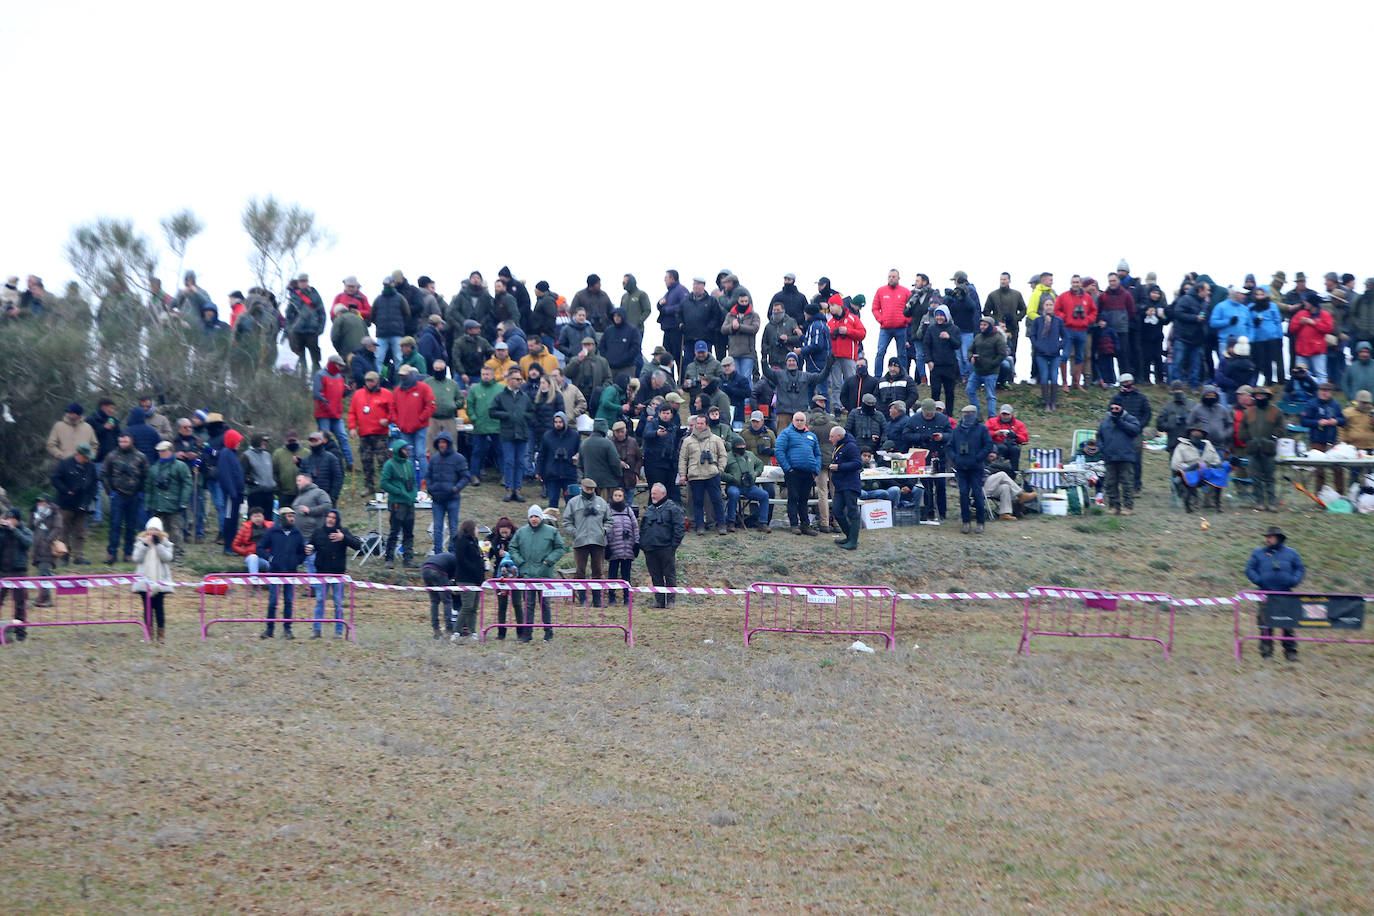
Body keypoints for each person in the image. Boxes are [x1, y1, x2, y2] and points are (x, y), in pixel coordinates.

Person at [507, 505, 568, 642]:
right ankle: (527, 634)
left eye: (536, 516)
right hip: (527, 575)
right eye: (531, 516)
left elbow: (560, 548)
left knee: (545, 604)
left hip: (544, 574)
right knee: (528, 604)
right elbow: (512, 548)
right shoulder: (521, 532)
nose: (534, 519)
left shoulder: (551, 531)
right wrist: (520, 562)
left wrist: (548, 561)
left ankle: (548, 633)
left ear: (541, 517)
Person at [1245, 526, 1305, 661]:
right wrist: (1259, 580)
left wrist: (1294, 581)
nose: (1267, 539)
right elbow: (1249, 569)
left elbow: (1300, 569)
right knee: (1265, 626)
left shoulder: (1292, 553)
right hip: (1265, 596)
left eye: (1270, 537)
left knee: (1288, 626)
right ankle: (1267, 655)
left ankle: (1291, 654)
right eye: (1266, 537)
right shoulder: (1257, 553)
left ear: (1278, 538)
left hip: (1286, 595)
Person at [306, 509, 360, 639]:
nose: (330, 519)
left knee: (338, 603)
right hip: (321, 573)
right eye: (328, 517)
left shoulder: (343, 531)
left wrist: (344, 538)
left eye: (333, 518)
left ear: (337, 520)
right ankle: (317, 630)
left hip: (338, 574)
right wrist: (309, 549)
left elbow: (358, 546)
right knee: (319, 601)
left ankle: (338, 631)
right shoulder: (318, 532)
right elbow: (311, 545)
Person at [257, 505, 307, 639]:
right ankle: (269, 629)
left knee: (289, 601)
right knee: (273, 601)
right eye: (289, 516)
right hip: (275, 572)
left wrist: (297, 560)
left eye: (293, 516)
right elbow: (260, 547)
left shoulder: (297, 533)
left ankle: (287, 629)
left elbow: (302, 553)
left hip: (291, 573)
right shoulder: (272, 531)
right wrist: (270, 558)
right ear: (283, 518)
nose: (292, 519)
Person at [560, 479, 612, 606]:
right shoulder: (573, 503)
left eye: (592, 489)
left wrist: (603, 531)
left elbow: (609, 520)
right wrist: (575, 532)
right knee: (580, 571)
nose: (589, 491)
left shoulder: (601, 502)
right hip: (580, 542)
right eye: (587, 488)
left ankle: (597, 600)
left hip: (598, 542)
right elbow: (566, 521)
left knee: (598, 571)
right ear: (582, 487)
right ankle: (583, 600)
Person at [678, 415, 727, 536]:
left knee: (717, 500)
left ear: (707, 425)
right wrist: (683, 474)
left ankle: (721, 525)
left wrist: (719, 470)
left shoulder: (716, 439)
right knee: (697, 502)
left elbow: (723, 455)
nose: (699, 425)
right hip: (695, 476)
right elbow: (683, 459)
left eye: (701, 423)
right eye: (697, 423)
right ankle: (699, 526)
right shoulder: (687, 441)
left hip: (712, 474)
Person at [103, 433, 148, 564]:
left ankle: (128, 553)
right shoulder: (112, 455)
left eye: (125, 441)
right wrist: (110, 491)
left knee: (131, 526)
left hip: (134, 496)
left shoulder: (140, 456)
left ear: (131, 441)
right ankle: (112, 554)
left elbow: (146, 475)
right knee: (115, 525)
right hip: (117, 496)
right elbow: (104, 474)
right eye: (121, 442)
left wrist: (141, 491)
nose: (123, 444)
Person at [50, 443, 98, 564]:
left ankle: (79, 556)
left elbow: (94, 484)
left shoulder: (90, 467)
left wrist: (90, 498)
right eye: (85, 456)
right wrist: (66, 490)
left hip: (82, 504)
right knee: (64, 530)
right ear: (79, 454)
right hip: (66, 503)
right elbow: (55, 479)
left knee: (80, 531)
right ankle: (63, 556)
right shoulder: (65, 463)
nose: (87, 459)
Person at [775, 411, 822, 536]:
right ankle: (794, 524)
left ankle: (805, 525)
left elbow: (818, 454)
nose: (800, 422)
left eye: (802, 420)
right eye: (797, 420)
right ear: (793, 421)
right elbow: (779, 451)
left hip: (808, 473)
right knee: (793, 498)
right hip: (793, 472)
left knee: (804, 499)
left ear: (805, 422)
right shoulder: (786, 433)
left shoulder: (811, 436)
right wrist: (788, 468)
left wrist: (816, 469)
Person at [422, 431, 469, 555]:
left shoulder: (458, 458)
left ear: (449, 443)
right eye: (439, 442)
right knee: (438, 528)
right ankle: (438, 553)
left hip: (452, 498)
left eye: (444, 442)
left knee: (453, 528)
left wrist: (455, 489)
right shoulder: (434, 459)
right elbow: (428, 476)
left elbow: (465, 477)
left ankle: (453, 553)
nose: (441, 445)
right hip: (437, 499)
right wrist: (431, 489)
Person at [130, 516, 175, 643]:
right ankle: (148, 634)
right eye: (151, 529)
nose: (153, 532)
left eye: (155, 530)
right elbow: (136, 558)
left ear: (160, 531)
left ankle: (161, 635)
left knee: (159, 608)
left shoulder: (166, 543)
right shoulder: (140, 542)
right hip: (144, 582)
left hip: (160, 581)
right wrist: (145, 544)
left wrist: (158, 545)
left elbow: (167, 558)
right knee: (147, 608)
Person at [950, 404, 993, 533]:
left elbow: (988, 445)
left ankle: (980, 522)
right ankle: (966, 521)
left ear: (974, 414)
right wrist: (955, 458)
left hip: (975, 467)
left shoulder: (982, 429)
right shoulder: (957, 430)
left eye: (969, 413)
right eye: (964, 413)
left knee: (977, 493)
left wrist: (978, 458)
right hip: (961, 467)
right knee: (963, 494)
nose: (966, 416)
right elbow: (949, 446)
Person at [146, 441, 193, 558]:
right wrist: (148, 504)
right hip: (158, 505)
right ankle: (162, 555)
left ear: (171, 451)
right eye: (159, 451)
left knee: (176, 532)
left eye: (164, 451)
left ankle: (178, 556)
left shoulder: (180, 466)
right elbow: (148, 487)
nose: (161, 453)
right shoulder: (154, 468)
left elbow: (187, 485)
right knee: (160, 532)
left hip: (174, 506)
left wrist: (183, 502)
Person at [1240, 387, 1284, 511]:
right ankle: (1259, 502)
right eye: (1257, 396)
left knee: (1270, 477)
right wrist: (1248, 439)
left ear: (1268, 397)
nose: (1260, 398)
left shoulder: (1276, 411)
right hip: (1253, 449)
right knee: (1255, 477)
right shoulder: (1248, 412)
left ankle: (1272, 502)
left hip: (1269, 448)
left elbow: (1281, 429)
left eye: (1262, 395)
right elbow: (1242, 430)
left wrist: (1272, 437)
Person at [1109, 374, 1153, 493]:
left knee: (1136, 460)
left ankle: (1136, 485)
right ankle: (1122, 485)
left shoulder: (1141, 397)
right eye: (1123, 382)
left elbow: (1147, 414)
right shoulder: (1116, 398)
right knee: (1121, 460)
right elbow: (1110, 412)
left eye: (1128, 382)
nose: (1126, 384)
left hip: (1136, 433)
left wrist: (1139, 426)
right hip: (1120, 433)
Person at [1301, 381, 1347, 494]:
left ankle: (1340, 495)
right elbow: (1303, 421)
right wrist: (1317, 422)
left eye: (1326, 391)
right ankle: (1319, 496)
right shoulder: (1311, 404)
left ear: (1330, 392)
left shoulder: (1336, 405)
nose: (1324, 393)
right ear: (1318, 391)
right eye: (1322, 391)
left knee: (1338, 468)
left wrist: (1336, 421)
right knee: (1319, 470)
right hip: (1317, 440)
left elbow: (1343, 420)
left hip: (1333, 440)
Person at [1097, 402, 1142, 515]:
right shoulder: (1105, 421)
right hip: (1110, 456)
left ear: (1122, 408)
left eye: (1117, 408)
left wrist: (1120, 422)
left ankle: (1128, 507)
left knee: (1127, 482)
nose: (1114, 410)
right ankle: (1113, 506)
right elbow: (1099, 436)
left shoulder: (1130, 419)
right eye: (1112, 408)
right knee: (1110, 483)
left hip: (1126, 456)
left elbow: (1135, 431)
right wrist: (1103, 449)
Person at [1171, 424, 1226, 513]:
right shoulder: (1181, 446)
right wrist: (1190, 468)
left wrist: (1209, 467)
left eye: (1199, 431)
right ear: (1189, 433)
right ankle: (1189, 504)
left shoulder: (1208, 445)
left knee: (1219, 477)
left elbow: (1216, 461)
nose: (1196, 433)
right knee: (1189, 479)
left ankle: (1215, 503)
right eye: (1194, 431)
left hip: (1206, 473)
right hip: (1190, 473)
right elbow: (1175, 464)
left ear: (1203, 433)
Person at [380, 440, 419, 567]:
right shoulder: (389, 465)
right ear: (398, 450)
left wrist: (413, 494)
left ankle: (408, 559)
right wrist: (398, 491)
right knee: (394, 531)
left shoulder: (409, 464)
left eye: (409, 449)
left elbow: (413, 482)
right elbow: (384, 483)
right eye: (405, 449)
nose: (408, 451)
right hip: (397, 503)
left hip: (409, 503)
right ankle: (389, 558)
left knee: (409, 532)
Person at [312, 354, 354, 471]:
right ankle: (323, 464)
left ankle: (350, 464)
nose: (340, 368)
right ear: (332, 363)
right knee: (323, 440)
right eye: (339, 365)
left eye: (341, 366)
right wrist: (328, 406)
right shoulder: (320, 375)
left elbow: (341, 393)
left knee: (343, 438)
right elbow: (317, 394)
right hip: (323, 414)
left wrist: (348, 390)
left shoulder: (340, 377)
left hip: (336, 414)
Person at [723, 435, 771, 533]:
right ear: (733, 447)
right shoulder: (727, 457)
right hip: (733, 485)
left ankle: (762, 523)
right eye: (739, 446)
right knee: (734, 494)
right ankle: (731, 522)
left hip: (749, 486)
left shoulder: (750, 455)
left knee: (764, 495)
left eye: (743, 445)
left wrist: (755, 474)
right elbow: (720, 471)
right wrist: (731, 478)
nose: (741, 448)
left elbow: (760, 464)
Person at [825, 294, 865, 407]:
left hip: (849, 356)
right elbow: (827, 336)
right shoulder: (830, 322)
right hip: (835, 356)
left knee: (851, 382)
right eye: (829, 306)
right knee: (835, 384)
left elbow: (862, 334)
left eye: (832, 305)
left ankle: (852, 405)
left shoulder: (853, 319)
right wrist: (833, 332)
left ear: (839, 305)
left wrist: (847, 331)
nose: (830, 308)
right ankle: (837, 406)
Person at [827, 426, 862, 550]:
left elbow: (858, 463)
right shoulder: (839, 447)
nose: (830, 439)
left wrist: (839, 467)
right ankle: (849, 536)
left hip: (850, 484)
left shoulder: (850, 447)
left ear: (839, 436)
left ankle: (853, 541)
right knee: (837, 511)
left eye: (832, 436)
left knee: (852, 512)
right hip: (840, 485)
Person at [0, 509, 33, 641]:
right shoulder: (3, 531)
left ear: (17, 519)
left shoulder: (25, 531)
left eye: (11, 518)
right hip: (2, 571)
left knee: (20, 603)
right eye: (6, 517)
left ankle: (21, 633)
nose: (8, 520)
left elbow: (28, 543)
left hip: (19, 571)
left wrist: (14, 530)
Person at [1029, 298, 1067, 410]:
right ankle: (1046, 402)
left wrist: (1059, 346)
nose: (1049, 307)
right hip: (1041, 354)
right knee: (1044, 377)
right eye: (1047, 305)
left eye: (1051, 304)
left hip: (1055, 354)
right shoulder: (1038, 321)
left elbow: (1065, 336)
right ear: (1043, 307)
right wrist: (1038, 346)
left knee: (1054, 377)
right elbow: (1032, 335)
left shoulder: (1058, 321)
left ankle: (1053, 402)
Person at [285, 273, 326, 376]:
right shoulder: (294, 296)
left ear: (307, 282)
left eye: (305, 281)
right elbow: (288, 314)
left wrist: (320, 328)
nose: (303, 283)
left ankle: (316, 380)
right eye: (301, 281)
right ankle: (302, 383)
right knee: (300, 359)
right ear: (298, 283)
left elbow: (322, 312)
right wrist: (290, 328)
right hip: (298, 331)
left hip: (312, 331)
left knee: (315, 358)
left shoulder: (314, 294)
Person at [966, 315, 1007, 418]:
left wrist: (992, 364)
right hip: (977, 371)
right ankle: (977, 413)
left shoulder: (998, 338)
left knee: (990, 396)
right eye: (981, 324)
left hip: (991, 373)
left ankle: (991, 417)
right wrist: (970, 357)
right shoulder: (978, 337)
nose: (982, 327)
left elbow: (1002, 354)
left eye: (984, 325)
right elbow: (970, 349)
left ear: (990, 325)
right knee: (969, 390)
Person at [923, 306, 962, 412]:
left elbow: (958, 345)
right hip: (935, 366)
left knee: (949, 392)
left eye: (941, 315)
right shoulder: (931, 328)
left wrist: (949, 338)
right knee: (935, 392)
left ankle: (949, 415)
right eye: (937, 315)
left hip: (950, 365)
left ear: (946, 316)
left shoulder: (954, 329)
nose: (939, 318)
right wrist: (929, 361)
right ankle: (934, 414)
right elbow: (926, 345)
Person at [241, 434, 277, 518]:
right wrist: (253, 482)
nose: (265, 443)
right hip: (255, 493)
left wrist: (273, 483)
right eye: (263, 441)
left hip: (269, 492)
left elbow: (271, 472)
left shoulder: (267, 455)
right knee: (255, 518)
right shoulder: (246, 455)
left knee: (268, 520)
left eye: (266, 441)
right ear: (257, 442)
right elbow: (243, 474)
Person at [986, 404, 1028, 472]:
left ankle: (1014, 472)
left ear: (1011, 414)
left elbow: (1025, 438)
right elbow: (984, 434)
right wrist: (995, 433)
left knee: (1015, 449)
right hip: (996, 445)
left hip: (1011, 445)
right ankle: (995, 469)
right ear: (1000, 413)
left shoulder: (1019, 424)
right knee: (1002, 447)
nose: (1005, 416)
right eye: (1003, 414)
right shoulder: (991, 421)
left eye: (1007, 414)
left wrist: (1015, 436)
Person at [233, 507, 274, 573]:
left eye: (259, 516)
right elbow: (235, 545)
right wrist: (245, 551)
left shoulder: (271, 527)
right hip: (252, 556)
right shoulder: (245, 528)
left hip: (267, 557)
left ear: (263, 517)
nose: (257, 519)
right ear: (251, 518)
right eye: (255, 516)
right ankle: (254, 581)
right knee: (253, 557)